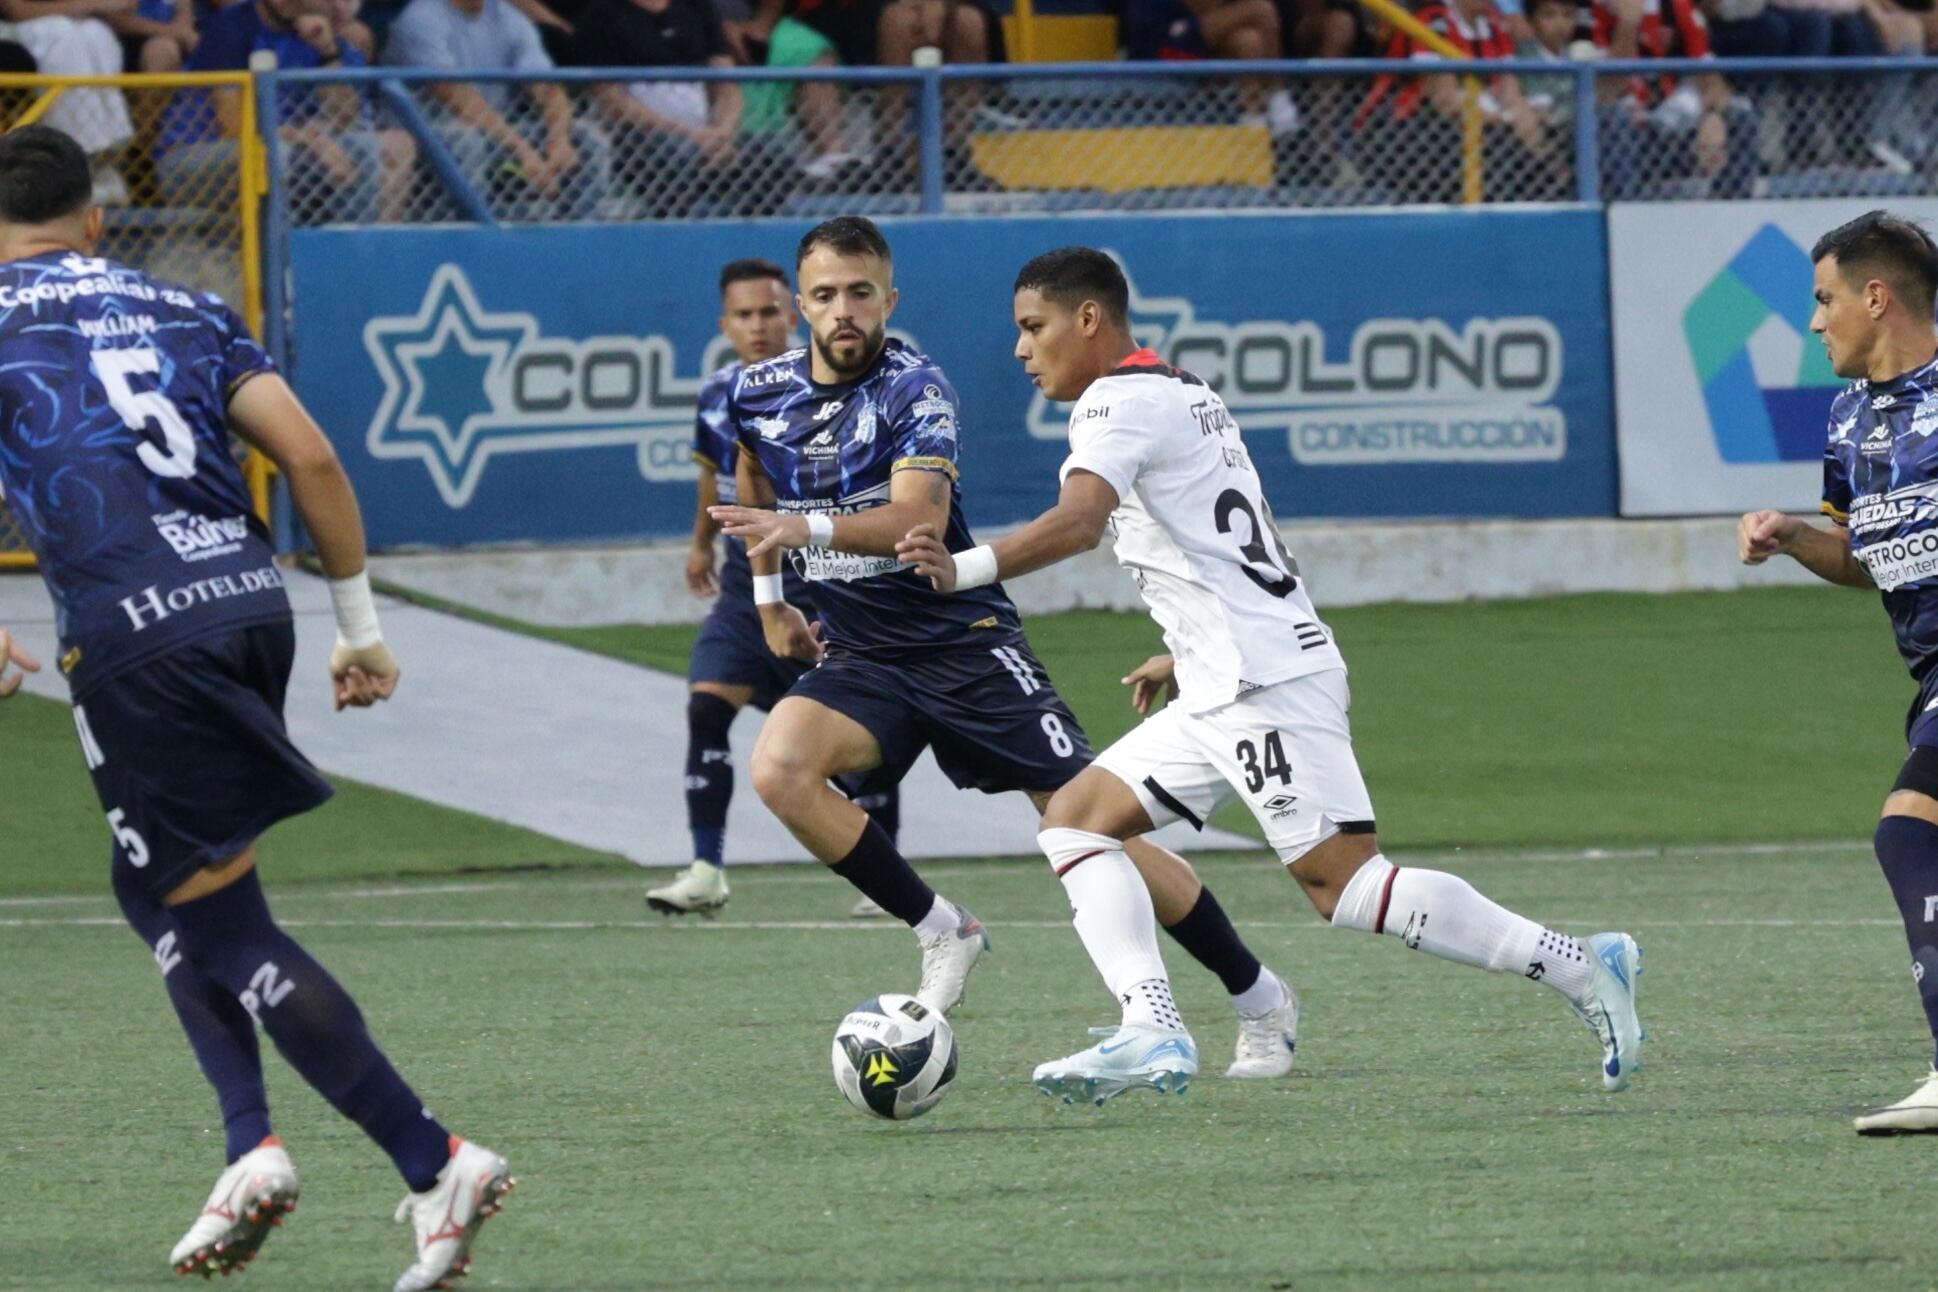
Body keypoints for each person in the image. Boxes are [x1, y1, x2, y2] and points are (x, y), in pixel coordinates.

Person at [896, 247, 1646, 1103]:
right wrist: (1186, 649)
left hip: (1262, 686)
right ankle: (1150, 1027)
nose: (1023, 350)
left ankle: (1585, 967)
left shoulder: (1116, 402)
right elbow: (1231, 546)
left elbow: (1077, 523)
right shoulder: (1187, 392)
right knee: (1075, 822)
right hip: (1229, 675)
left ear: (1090, 319)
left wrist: (960, 569)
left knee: (1349, 887)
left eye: (1034, 328)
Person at [0, 126, 512, 1288]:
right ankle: (249, 1146)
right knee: (165, 884)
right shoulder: (184, 305)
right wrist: (362, 627)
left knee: (220, 921)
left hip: (135, 635)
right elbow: (315, 460)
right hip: (248, 606)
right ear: (94, 218)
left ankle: (434, 1158)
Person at [709, 216, 1303, 1081]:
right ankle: (944, 930)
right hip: (863, 652)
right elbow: (751, 481)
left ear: (889, 299)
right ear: (801, 304)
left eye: (862, 294)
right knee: (779, 770)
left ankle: (1259, 996)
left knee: (1095, 827)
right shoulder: (756, 390)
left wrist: (796, 529)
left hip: (963, 642)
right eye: (827, 296)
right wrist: (769, 603)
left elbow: (913, 522)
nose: (845, 311)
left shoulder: (918, 388)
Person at [1738, 211, 1938, 1134]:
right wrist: (1794, 540)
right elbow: (1867, 556)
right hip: (1929, 679)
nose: (1814, 323)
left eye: (1823, 300)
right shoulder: (1851, 418)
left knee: (1908, 832)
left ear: (1876, 296)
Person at [647, 256, 904, 918]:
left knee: (852, 737)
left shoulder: (831, 388)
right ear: (724, 324)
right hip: (745, 586)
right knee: (707, 708)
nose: (757, 326)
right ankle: (706, 868)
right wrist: (701, 543)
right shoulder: (719, 394)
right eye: (743, 315)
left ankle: (884, 866)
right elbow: (718, 474)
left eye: (769, 312)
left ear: (793, 314)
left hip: (823, 585)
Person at [159, 0, 417, 224]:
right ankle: (279, 267)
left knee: (363, 150)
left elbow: (346, 119)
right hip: (190, 158)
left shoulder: (315, 35)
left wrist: (327, 53)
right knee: (275, 155)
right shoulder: (230, 27)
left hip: (287, 148)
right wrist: (311, 140)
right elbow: (233, 126)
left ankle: (355, 255)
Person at [383, 0, 612, 221]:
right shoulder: (420, 18)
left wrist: (559, 140)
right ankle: (468, 237)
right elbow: (459, 99)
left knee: (587, 139)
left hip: (497, 133)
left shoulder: (510, 18)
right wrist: (521, 149)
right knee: (467, 141)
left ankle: (579, 236)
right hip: (425, 135)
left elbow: (547, 86)